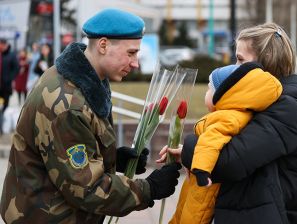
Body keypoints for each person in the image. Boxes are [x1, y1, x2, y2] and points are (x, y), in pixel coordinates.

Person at [0, 8, 181, 224]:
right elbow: (86, 189)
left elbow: (68, 151)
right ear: (103, 45)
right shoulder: (68, 104)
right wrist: (149, 189)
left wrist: (114, 158)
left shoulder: (79, 79)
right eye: (131, 53)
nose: (136, 63)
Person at [160, 22, 297, 224]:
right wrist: (196, 151)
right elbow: (242, 150)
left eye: (240, 60)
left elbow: (230, 162)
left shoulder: (287, 107)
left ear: (265, 62)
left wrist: (191, 150)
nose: (235, 69)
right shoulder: (266, 102)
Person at [168, 62, 282, 223]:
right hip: (202, 182)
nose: (206, 93)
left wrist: (201, 170)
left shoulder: (227, 118)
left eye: (209, 89)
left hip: (205, 187)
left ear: (222, 94)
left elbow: (210, 142)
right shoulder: (234, 114)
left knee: (192, 216)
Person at [0, 38, 19, 113]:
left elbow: (16, 68)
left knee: (5, 104)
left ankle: (3, 118)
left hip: (6, 85)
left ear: (5, 45)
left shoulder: (11, 55)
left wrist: (10, 78)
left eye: (1, 45)